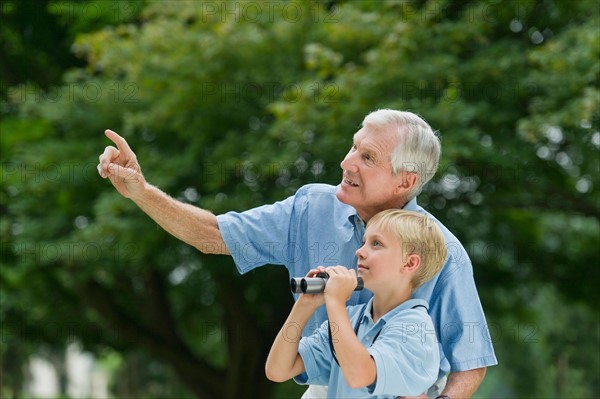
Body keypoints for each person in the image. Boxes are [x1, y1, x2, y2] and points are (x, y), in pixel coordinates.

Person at [97, 109, 497, 398]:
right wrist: (142, 192)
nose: (346, 162)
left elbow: (470, 361)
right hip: (330, 385)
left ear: (405, 181)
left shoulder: (445, 253)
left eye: (367, 157)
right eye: (353, 148)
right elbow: (213, 235)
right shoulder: (311, 207)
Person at [265, 209, 448, 398]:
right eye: (363, 242)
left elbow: (360, 376)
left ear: (409, 263)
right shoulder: (351, 319)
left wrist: (335, 302)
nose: (359, 252)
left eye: (376, 243)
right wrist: (305, 306)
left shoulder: (414, 327)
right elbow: (277, 370)